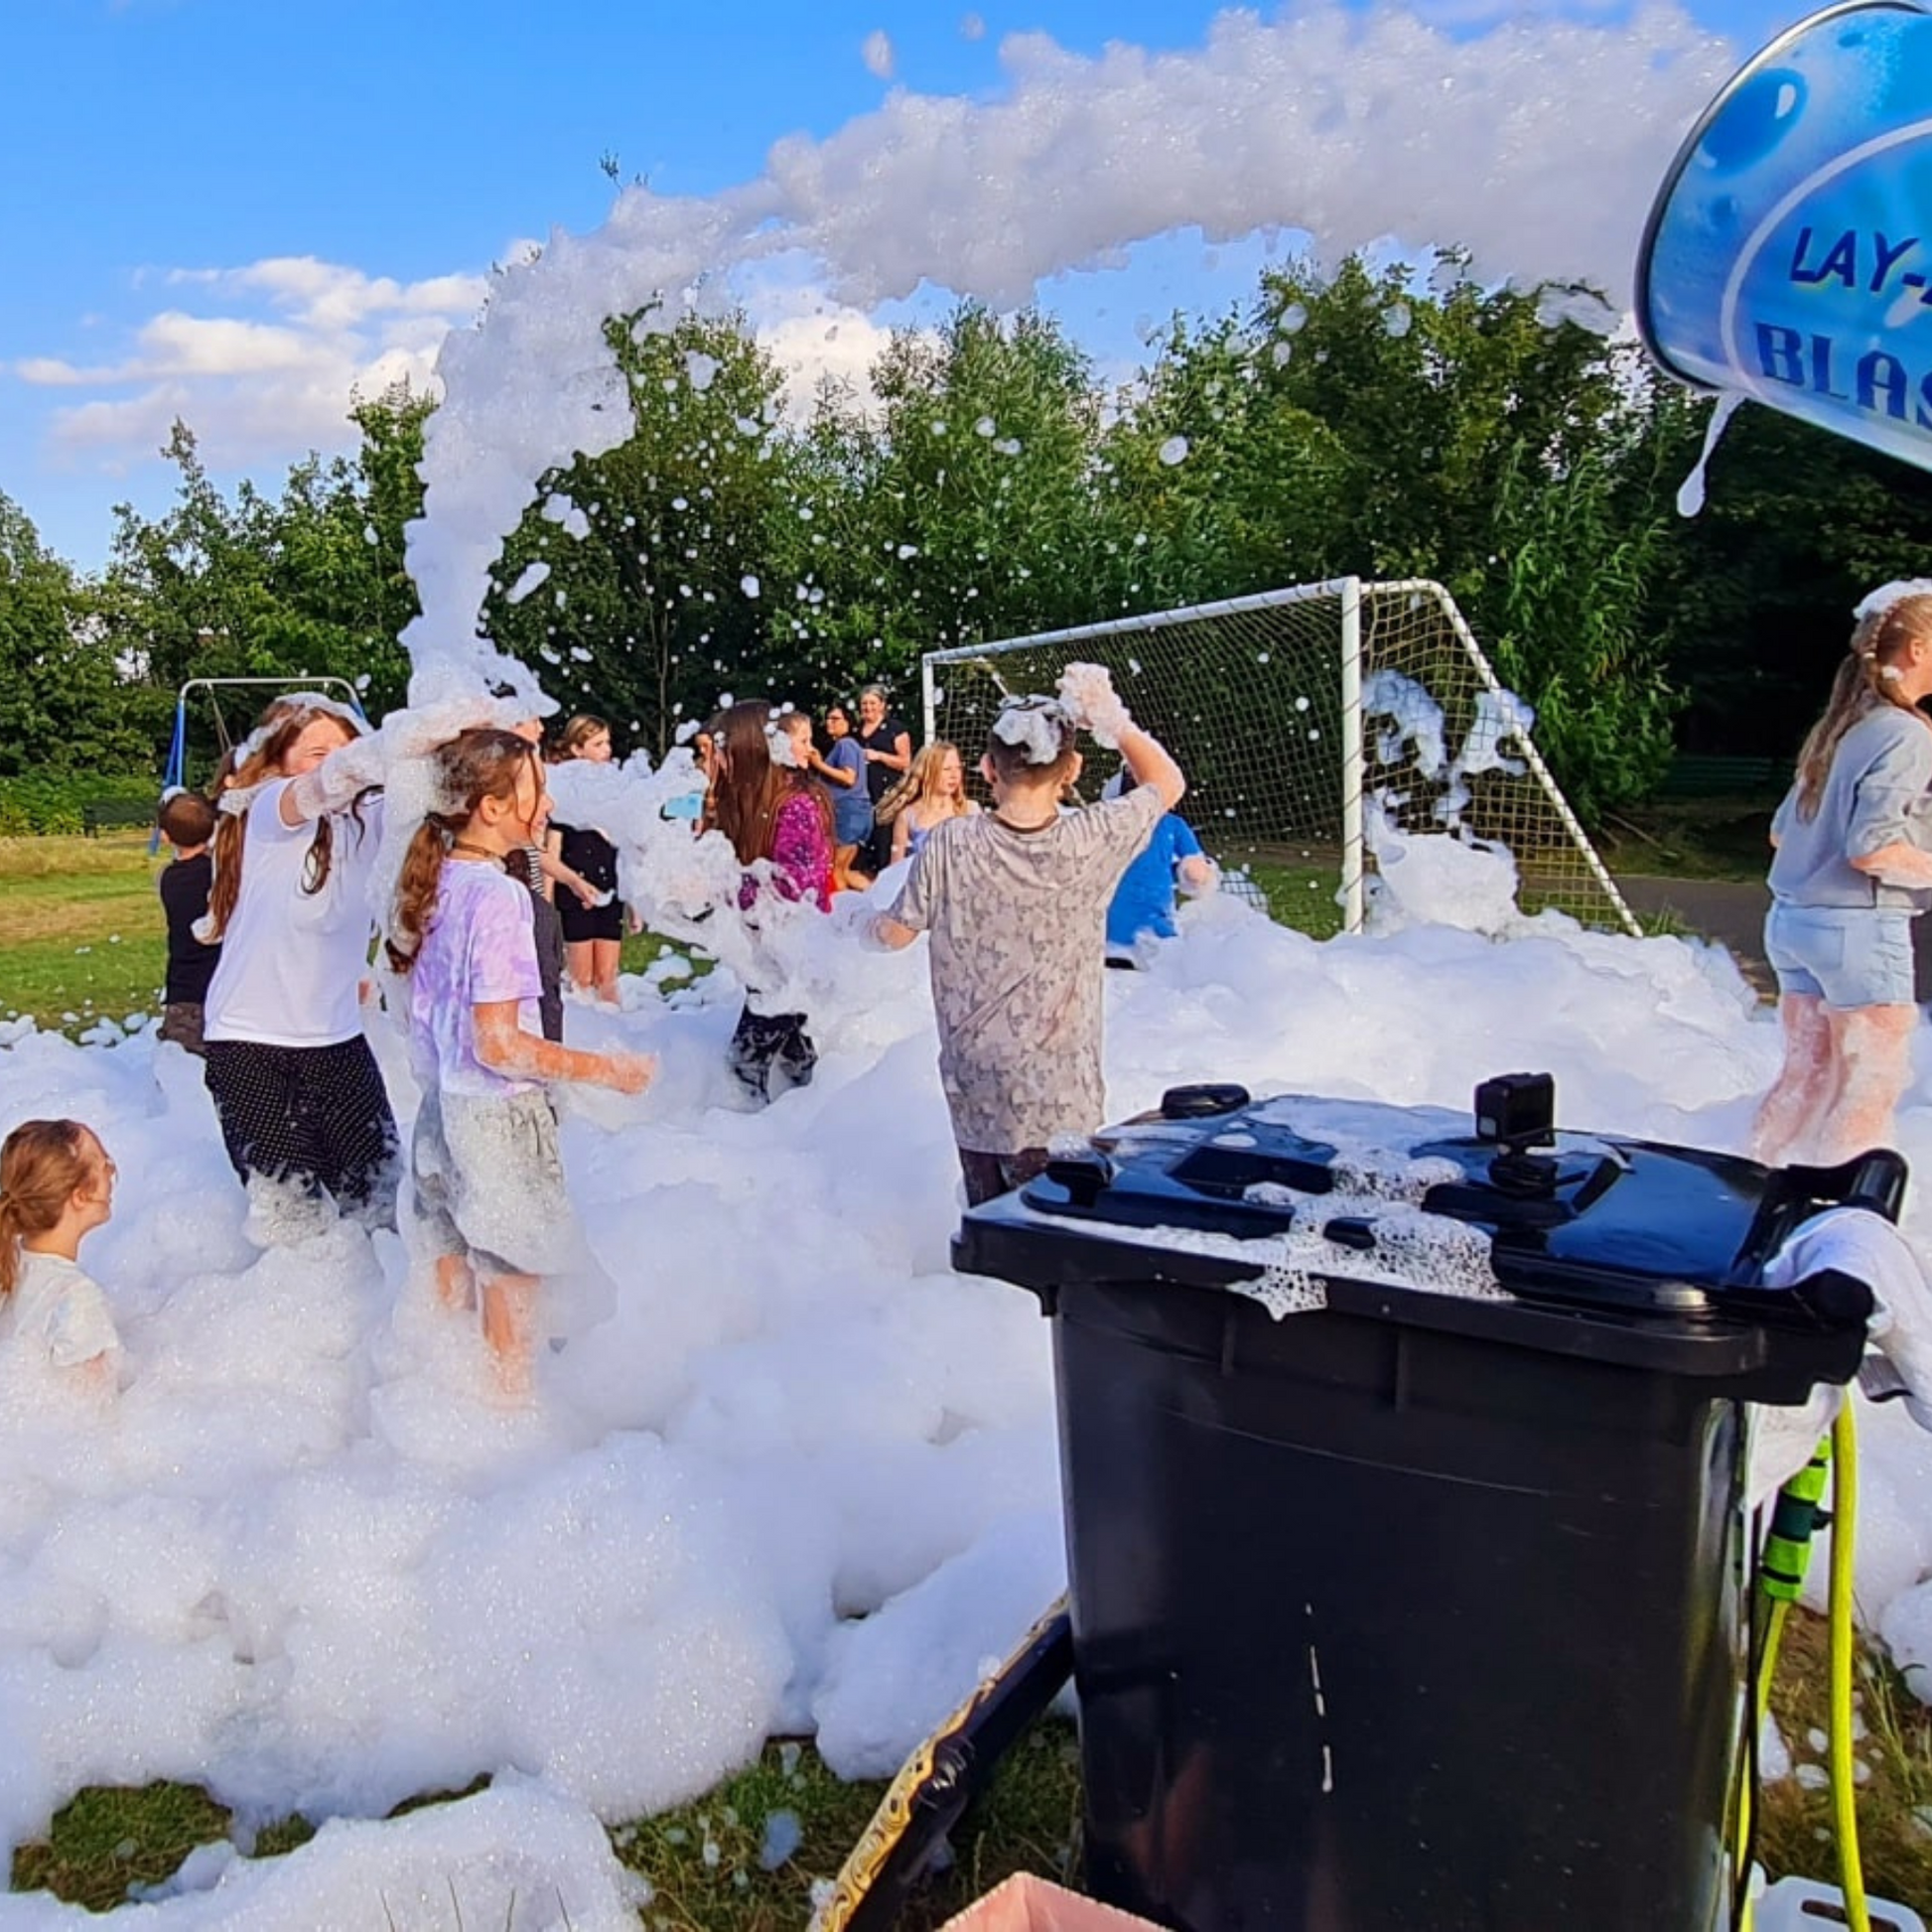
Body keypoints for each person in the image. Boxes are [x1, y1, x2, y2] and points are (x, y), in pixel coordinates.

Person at [387, 728, 655, 1399]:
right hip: (496, 1123)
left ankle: (445, 1422)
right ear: (492, 808)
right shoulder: (500, 898)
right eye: (536, 787)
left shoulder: (434, 879)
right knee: (511, 1307)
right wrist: (607, 1071)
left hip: (438, 1115)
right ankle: (509, 1433)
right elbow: (500, 1045)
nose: (548, 800)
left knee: (447, 1294)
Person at [872, 664, 1183, 1205]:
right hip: (1060, 1093)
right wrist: (1114, 719)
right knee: (1053, 1244)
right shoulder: (1093, 838)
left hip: (975, 1085)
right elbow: (1168, 784)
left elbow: (893, 936)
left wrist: (855, 922)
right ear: (1073, 769)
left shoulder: (949, 843)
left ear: (988, 767)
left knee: (993, 1236)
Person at [199, 696, 399, 1228]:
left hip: (336, 1042)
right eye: (317, 752)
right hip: (248, 1044)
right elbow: (319, 789)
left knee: (382, 1203)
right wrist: (370, 754)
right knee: (294, 1221)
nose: (337, 761)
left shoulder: (370, 819)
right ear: (281, 764)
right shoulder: (270, 811)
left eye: (346, 747)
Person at [1752, 587, 1932, 1169]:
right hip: (1859, 929)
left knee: (1804, 1074)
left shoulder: (1839, 727)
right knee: (1870, 1086)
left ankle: (1754, 1179)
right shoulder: (1908, 734)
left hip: (1791, 923)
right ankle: (1841, 1213)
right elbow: (1873, 848)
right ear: (1920, 649)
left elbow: (1782, 833)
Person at [710, 701, 834, 1104]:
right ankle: (809, 1121)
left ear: (750, 751)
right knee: (796, 1053)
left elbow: (795, 887)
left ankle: (746, 1140)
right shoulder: (752, 804)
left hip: (794, 953)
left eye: (723, 748)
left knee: (743, 1063)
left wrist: (731, 888)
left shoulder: (796, 805)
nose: (716, 758)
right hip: (772, 951)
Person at [0, 1119, 121, 1392]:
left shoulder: (9, 1264)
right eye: (106, 1165)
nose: (111, 1174)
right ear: (79, 1197)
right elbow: (93, 1413)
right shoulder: (77, 1297)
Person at [545, 714, 624, 1007]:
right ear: (577, 750)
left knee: (608, 977)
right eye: (598, 744)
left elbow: (626, 847)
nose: (607, 750)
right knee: (581, 978)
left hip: (611, 887)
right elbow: (552, 850)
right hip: (575, 889)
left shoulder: (615, 791)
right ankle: (583, 1034)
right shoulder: (565, 795)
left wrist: (636, 903)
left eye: (608, 742)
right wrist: (546, 900)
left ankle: (616, 1034)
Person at [1103, 768, 1220, 964]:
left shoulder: (1104, 823)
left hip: (1103, 932)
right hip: (1154, 932)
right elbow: (1196, 875)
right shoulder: (1172, 824)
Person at [156, 788, 222, 1054]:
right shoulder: (221, 874)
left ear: (165, 836)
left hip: (184, 986)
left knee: (181, 1060)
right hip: (222, 981)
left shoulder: (168, 878)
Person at [878, 741, 980, 867]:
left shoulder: (971, 810)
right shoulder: (908, 815)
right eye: (947, 769)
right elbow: (895, 868)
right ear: (927, 772)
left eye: (958, 768)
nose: (954, 775)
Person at [855, 684, 913, 876]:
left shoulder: (895, 729)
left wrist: (879, 756)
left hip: (889, 796)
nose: (868, 708)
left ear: (882, 705)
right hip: (863, 796)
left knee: (885, 844)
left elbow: (906, 762)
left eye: (872, 703)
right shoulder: (856, 731)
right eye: (864, 703)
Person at [820, 702, 874, 890]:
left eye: (835, 719)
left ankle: (843, 915)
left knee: (834, 869)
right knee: (844, 870)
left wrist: (818, 764)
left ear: (848, 722)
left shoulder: (845, 744)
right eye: (827, 718)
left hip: (848, 811)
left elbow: (849, 778)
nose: (829, 722)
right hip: (859, 813)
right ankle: (877, 899)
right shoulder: (853, 745)